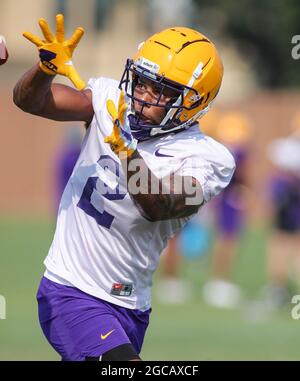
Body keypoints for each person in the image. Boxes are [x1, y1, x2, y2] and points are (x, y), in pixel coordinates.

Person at [13, 14, 235, 361]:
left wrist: (128, 153)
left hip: (130, 306)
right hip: (71, 290)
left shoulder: (210, 159)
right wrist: (45, 69)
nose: (144, 96)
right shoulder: (109, 102)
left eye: (161, 90)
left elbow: (161, 205)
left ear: (194, 101)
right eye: (142, 82)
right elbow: (32, 102)